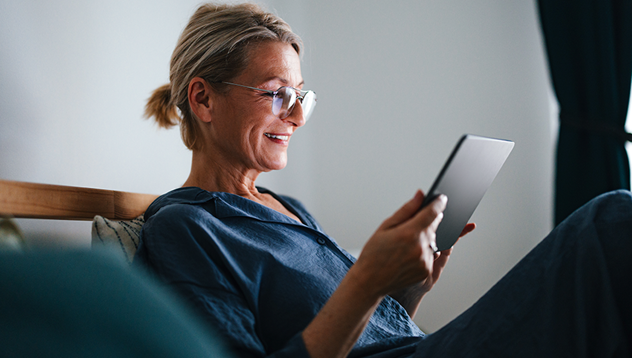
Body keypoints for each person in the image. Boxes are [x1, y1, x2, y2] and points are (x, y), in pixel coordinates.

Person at [134, 3, 632, 358]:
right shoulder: (184, 228)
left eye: (300, 97)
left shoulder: (291, 209)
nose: (297, 118)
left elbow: (364, 326)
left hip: (422, 343)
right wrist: (368, 278)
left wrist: (406, 289)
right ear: (203, 100)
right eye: (275, 94)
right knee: (611, 223)